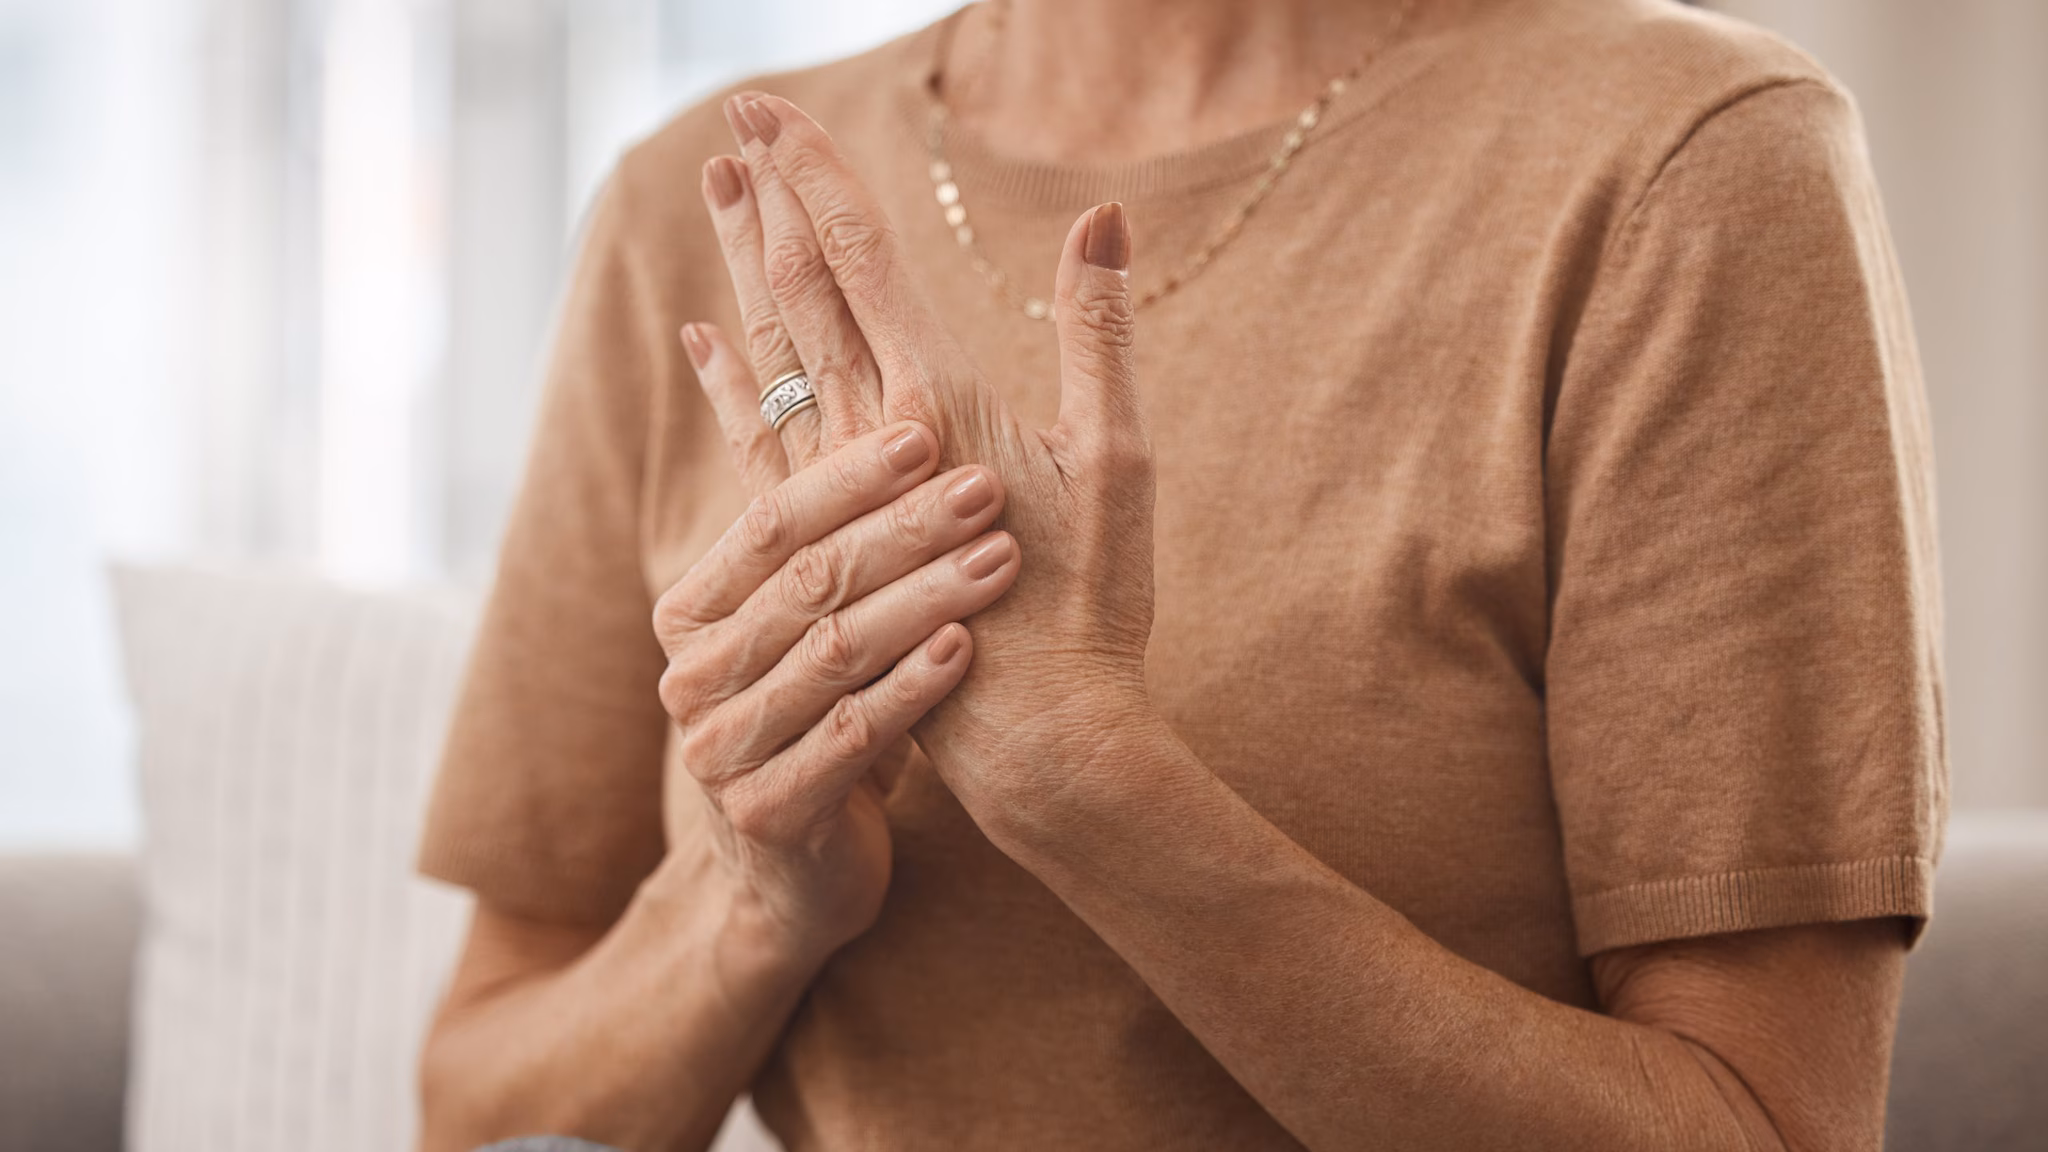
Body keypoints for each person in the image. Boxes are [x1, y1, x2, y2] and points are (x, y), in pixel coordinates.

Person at [415, 0, 1947, 1149]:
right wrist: (753, 907)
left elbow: (1765, 1120)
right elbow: (479, 1095)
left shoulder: (1685, 160)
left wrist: (1097, 795)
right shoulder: (705, 202)